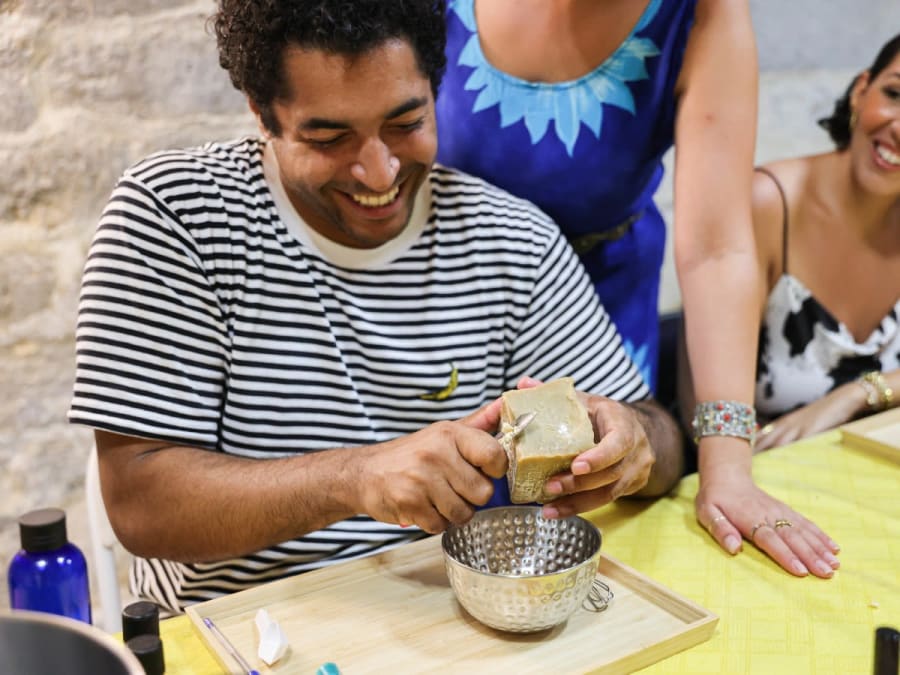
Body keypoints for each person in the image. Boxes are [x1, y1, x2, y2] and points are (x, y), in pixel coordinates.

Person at [67, 0, 684, 614]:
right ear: (262, 112)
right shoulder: (175, 217)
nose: (378, 170)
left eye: (406, 123)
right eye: (330, 137)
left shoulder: (511, 239)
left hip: (450, 622)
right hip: (239, 628)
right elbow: (141, 506)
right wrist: (355, 478)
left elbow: (661, 439)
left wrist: (631, 445)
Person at [435, 1, 837, 578]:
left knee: (586, 520)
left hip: (601, 310)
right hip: (448, 300)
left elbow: (718, 250)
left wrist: (724, 466)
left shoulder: (703, 15)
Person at [749, 33, 900, 451]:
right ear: (860, 91)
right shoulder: (768, 203)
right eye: (894, 94)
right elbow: (705, 409)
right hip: (763, 485)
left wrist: (859, 394)